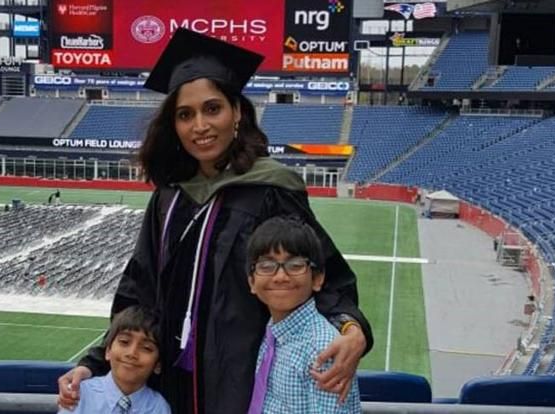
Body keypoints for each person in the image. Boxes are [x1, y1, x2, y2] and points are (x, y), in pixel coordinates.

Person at [58, 28, 373, 414]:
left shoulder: (269, 189)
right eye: (185, 115)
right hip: (169, 382)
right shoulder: (169, 198)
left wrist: (351, 329)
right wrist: (94, 364)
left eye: (212, 109)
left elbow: (322, 275)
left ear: (237, 112)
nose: (200, 126)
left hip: (241, 378)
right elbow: (138, 293)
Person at [246, 216, 361, 413]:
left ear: (317, 279)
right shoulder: (273, 331)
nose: (280, 277)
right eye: (266, 266)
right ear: (252, 282)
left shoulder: (323, 351)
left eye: (295, 265)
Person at [57, 306, 171, 414]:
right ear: (107, 351)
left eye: (146, 348)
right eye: (124, 342)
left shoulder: (158, 407)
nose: (132, 353)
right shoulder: (80, 395)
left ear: (158, 365)